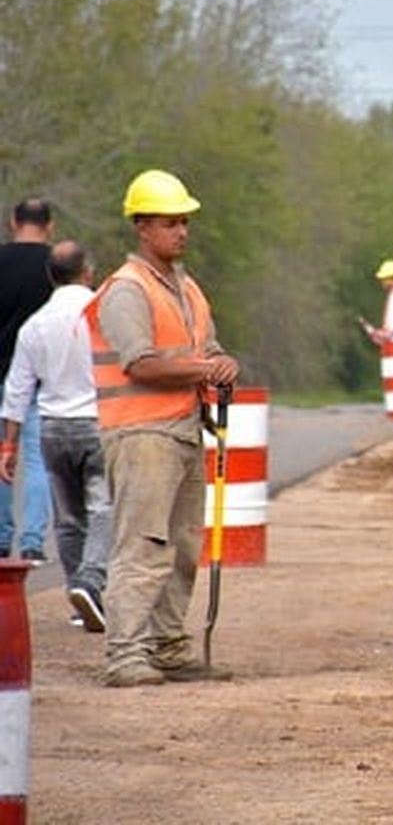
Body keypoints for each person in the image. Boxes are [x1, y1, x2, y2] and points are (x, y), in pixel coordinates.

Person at [85, 169, 238, 687]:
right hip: (141, 434)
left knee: (182, 545)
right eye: (171, 223)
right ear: (142, 227)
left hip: (182, 430)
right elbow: (141, 364)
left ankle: (168, 646)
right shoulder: (126, 290)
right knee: (143, 545)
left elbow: (206, 348)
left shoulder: (187, 289)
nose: (182, 231)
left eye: (185, 222)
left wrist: (221, 363)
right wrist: (204, 369)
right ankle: (125, 654)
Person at [1, 241, 111, 631]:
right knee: (102, 508)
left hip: (52, 427)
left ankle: (78, 597)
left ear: (51, 276)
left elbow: (17, 389)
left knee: (68, 518)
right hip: (97, 423)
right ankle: (91, 581)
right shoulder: (102, 315)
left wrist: (9, 443)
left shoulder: (35, 324)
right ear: (88, 272)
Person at [0, 198, 57, 562]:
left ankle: (1, 537)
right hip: (40, 378)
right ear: (50, 226)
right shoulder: (58, 266)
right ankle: (33, 540)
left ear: (12, 222)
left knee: (2, 459)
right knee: (38, 461)